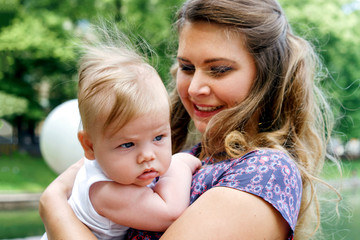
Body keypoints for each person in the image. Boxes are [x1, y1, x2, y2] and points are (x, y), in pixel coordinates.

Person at [39, 0, 341, 239]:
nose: (194, 88)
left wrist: (53, 205)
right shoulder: (188, 156)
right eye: (186, 67)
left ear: (266, 77)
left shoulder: (264, 172)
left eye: (219, 69)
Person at [40, 30, 201, 240]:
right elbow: (169, 212)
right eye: (127, 145)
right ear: (89, 147)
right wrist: (179, 164)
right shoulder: (105, 192)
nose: (147, 155)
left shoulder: (117, 170)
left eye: (158, 138)